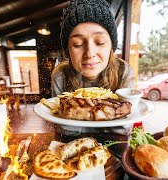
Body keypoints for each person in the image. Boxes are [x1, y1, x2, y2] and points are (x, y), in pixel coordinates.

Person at [51, 0, 135, 136]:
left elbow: (122, 129)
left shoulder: (123, 71)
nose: (89, 54)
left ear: (111, 47)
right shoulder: (61, 75)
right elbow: (65, 130)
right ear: (68, 51)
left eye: (100, 42)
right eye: (77, 44)